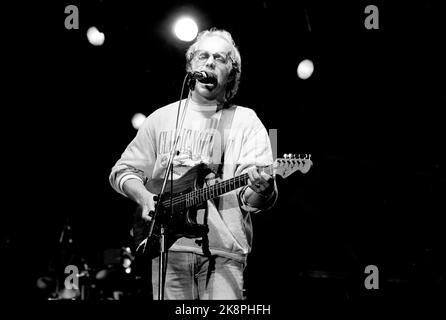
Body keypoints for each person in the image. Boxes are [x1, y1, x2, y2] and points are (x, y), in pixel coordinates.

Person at [109, 28, 278, 300]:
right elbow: (123, 171)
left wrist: (263, 188)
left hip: (225, 254)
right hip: (168, 249)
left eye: (220, 58)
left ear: (231, 73)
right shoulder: (161, 118)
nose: (210, 62)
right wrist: (145, 198)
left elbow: (253, 201)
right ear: (191, 66)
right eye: (203, 56)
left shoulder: (247, 121)